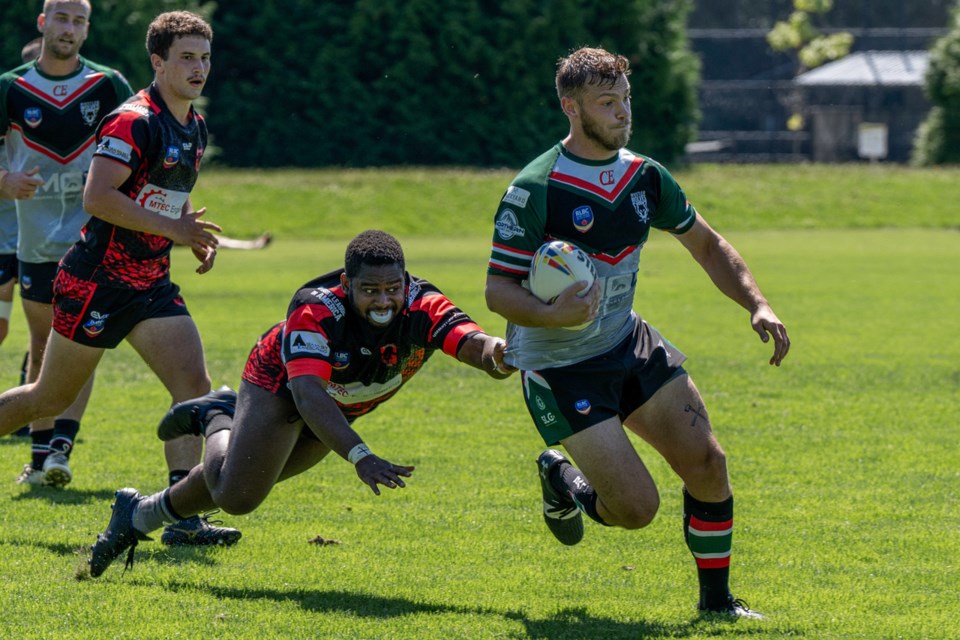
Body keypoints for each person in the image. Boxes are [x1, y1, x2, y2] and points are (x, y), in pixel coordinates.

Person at [484, 47, 790, 619]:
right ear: (570, 108)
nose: (623, 112)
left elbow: (707, 244)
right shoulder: (536, 188)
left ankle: (718, 607)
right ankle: (562, 476)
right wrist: (554, 315)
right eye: (608, 102)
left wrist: (757, 304)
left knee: (707, 464)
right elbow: (497, 291)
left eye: (626, 98)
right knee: (635, 509)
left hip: (628, 342)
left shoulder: (645, 176)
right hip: (560, 366)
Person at [85, 229, 514, 576]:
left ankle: (137, 515)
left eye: (392, 289)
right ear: (347, 285)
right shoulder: (317, 310)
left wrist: (500, 353)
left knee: (239, 484)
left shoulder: (424, 306)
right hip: (283, 386)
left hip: (335, 404)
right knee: (239, 497)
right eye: (370, 290)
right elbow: (308, 394)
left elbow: (472, 343)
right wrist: (361, 455)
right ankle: (218, 414)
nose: (383, 301)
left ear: (405, 282)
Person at [0, 9, 241, 547]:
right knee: (48, 399)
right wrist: (174, 230)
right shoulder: (133, 119)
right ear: (158, 62)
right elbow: (99, 197)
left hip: (150, 284)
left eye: (204, 57)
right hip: (97, 283)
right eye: (186, 58)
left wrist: (190, 236)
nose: (198, 68)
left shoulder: (194, 126)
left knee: (194, 389)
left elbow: (160, 203)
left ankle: (181, 516)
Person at [0, 3, 132, 485]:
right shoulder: (10, 87)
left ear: (87, 29)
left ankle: (59, 450)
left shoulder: (109, 85)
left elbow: (141, 149)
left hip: (92, 245)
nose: (69, 29)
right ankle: (39, 459)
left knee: (82, 345)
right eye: (61, 18)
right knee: (41, 344)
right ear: (42, 23)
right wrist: (4, 180)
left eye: (78, 21)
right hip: (34, 244)